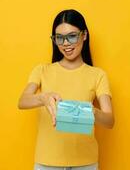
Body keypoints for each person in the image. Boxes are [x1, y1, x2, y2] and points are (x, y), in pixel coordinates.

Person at [18, 9, 114, 170]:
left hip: (86, 163)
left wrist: (92, 112)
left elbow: (110, 121)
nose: (66, 43)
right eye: (59, 38)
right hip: (46, 163)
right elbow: (22, 101)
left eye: (72, 36)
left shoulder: (98, 75)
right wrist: (43, 98)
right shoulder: (42, 70)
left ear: (84, 35)